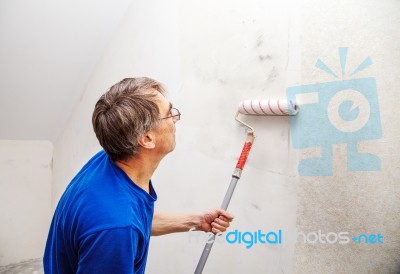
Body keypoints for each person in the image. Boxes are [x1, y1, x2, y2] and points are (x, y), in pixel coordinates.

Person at [43, 77, 234, 274]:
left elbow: (135, 220)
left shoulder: (107, 161)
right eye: (169, 114)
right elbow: (121, 224)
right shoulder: (116, 228)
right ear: (146, 139)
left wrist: (195, 220)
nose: (175, 119)